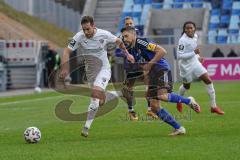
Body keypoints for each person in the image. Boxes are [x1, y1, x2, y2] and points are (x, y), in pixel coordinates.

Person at [60, 16, 134, 137]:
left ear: (93, 26)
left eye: (88, 29)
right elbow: (67, 51)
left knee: (95, 94)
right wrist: (64, 68)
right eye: (84, 29)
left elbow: (119, 42)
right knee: (99, 102)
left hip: (104, 69)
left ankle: (86, 127)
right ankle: (121, 93)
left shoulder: (104, 34)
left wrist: (128, 54)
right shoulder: (79, 37)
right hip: (90, 73)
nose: (86, 32)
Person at [121, 26, 201, 136]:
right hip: (153, 72)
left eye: (126, 36)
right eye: (123, 37)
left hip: (161, 68)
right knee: (154, 106)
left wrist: (150, 64)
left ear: (133, 34)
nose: (124, 39)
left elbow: (162, 51)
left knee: (162, 96)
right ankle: (179, 128)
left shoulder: (141, 42)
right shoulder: (134, 49)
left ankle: (188, 101)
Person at [176, 21, 224, 115]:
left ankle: (213, 107)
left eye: (191, 28)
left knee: (208, 80)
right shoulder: (182, 40)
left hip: (195, 63)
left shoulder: (195, 36)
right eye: (187, 28)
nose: (189, 29)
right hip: (185, 67)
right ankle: (179, 100)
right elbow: (179, 56)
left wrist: (198, 57)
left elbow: (193, 51)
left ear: (194, 29)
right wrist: (194, 53)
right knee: (187, 86)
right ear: (184, 30)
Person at [116, 16, 158, 121]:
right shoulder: (121, 37)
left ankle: (150, 109)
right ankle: (131, 111)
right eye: (127, 24)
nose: (129, 25)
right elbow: (117, 52)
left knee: (149, 85)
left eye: (131, 23)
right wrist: (126, 55)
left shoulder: (137, 34)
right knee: (129, 89)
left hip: (141, 64)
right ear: (124, 25)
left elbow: (145, 43)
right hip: (130, 66)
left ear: (133, 24)